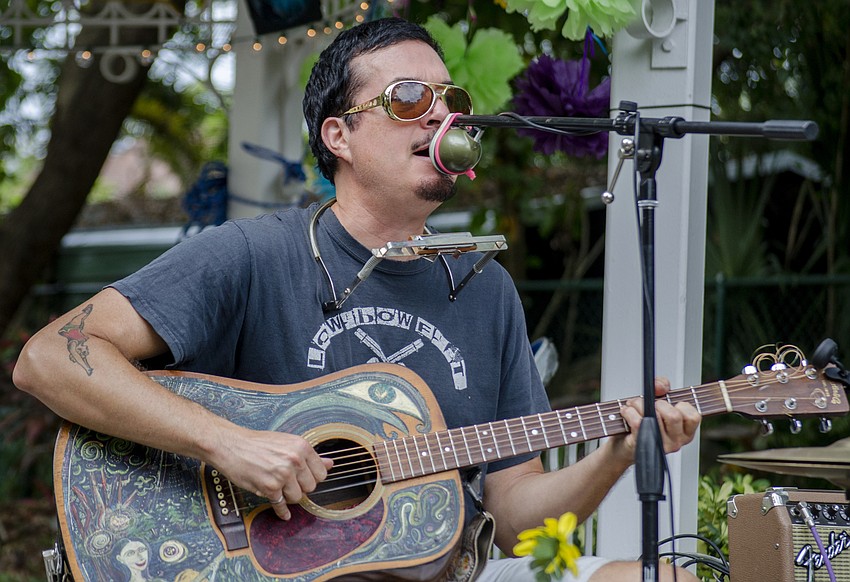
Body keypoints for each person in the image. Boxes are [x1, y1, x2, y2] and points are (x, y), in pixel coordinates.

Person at [14, 17, 701, 582]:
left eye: (450, 100)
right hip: (262, 565)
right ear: (337, 135)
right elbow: (48, 359)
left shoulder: (485, 288)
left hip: (439, 570)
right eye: (408, 98)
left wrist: (617, 453)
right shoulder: (253, 255)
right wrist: (228, 443)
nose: (441, 114)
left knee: (661, 579)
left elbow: (516, 519)